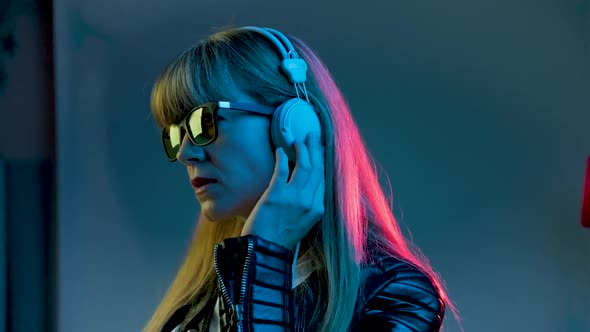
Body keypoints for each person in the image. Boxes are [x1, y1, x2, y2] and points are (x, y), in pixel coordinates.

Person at [143, 25, 461, 332]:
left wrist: (265, 255)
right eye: (174, 134)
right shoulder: (199, 303)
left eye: (203, 122)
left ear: (294, 126)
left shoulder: (397, 296)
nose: (185, 153)